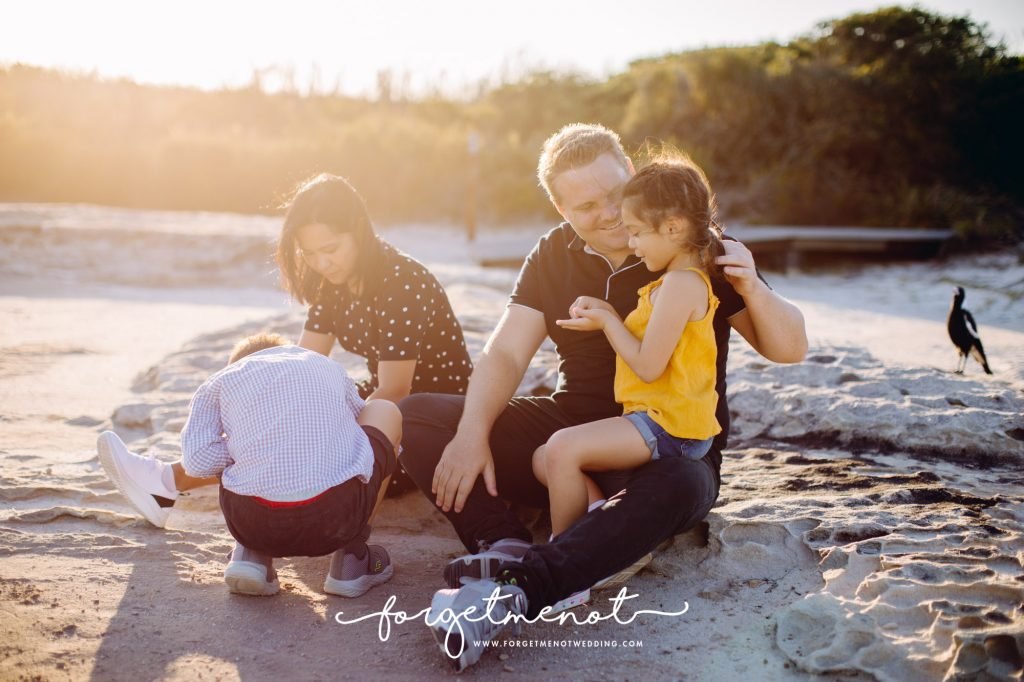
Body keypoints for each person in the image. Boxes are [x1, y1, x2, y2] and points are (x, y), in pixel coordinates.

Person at [395, 123, 807, 672]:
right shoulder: (552, 254)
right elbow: (506, 355)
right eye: (587, 206)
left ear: (634, 178)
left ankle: (530, 581)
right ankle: (505, 544)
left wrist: (752, 285)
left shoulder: (690, 249)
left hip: (672, 446)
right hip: (572, 430)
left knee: (681, 484)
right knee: (417, 417)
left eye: (616, 195)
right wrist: (472, 435)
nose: (611, 215)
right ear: (562, 211)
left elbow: (791, 348)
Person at [97, 173, 471, 528]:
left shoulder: (401, 284)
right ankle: (167, 483)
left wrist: (314, 433)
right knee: (280, 406)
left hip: (426, 430)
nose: (321, 263)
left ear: (359, 231)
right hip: (381, 404)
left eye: (330, 249)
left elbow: (395, 392)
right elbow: (298, 367)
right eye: (309, 253)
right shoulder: (336, 281)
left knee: (298, 436)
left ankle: (167, 481)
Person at [98, 333, 400, 597]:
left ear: (236, 364)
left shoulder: (221, 381)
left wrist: (246, 449)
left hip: (252, 524)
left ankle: (250, 556)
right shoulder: (326, 367)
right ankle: (352, 560)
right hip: (336, 520)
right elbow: (358, 428)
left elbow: (198, 460)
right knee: (383, 410)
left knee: (243, 450)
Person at [535, 154, 725, 538]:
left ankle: (564, 555)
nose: (632, 243)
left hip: (671, 425)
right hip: (654, 417)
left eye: (638, 232)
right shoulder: (673, 282)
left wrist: (607, 321)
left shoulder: (681, 285)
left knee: (560, 449)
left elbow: (648, 366)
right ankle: (594, 517)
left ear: (672, 228)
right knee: (544, 457)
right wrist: (606, 310)